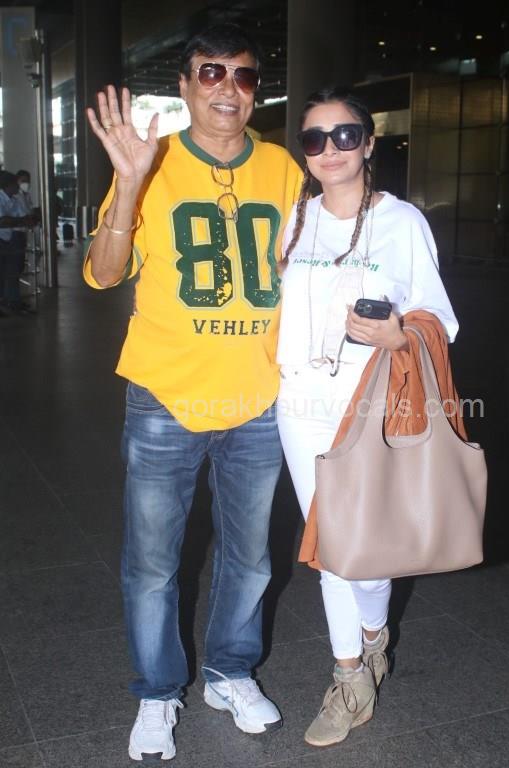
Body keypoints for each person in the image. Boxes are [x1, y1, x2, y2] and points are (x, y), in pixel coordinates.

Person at [83, 23, 303, 762]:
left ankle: (229, 672)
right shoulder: (151, 162)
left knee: (252, 556)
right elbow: (104, 273)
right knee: (153, 562)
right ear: (183, 86)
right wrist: (128, 185)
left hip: (258, 397)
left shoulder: (282, 168)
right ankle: (156, 690)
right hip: (166, 397)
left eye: (243, 76)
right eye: (211, 73)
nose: (227, 90)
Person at [276, 87, 459, 747]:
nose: (330, 150)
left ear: (369, 142)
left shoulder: (402, 221)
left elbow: (442, 319)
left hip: (368, 405)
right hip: (299, 404)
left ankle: (375, 636)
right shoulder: (295, 219)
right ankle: (350, 677)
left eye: (345, 135)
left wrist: (397, 334)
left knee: (366, 554)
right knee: (333, 549)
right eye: (314, 139)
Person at [0, 170, 35, 315]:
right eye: (16, 183)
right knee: (6, 272)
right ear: (8, 185)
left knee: (11, 272)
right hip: (4, 239)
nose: (18, 186)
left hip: (8, 239)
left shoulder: (13, 200)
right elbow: (3, 221)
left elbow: (23, 217)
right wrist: (19, 221)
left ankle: (12, 301)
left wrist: (19, 220)